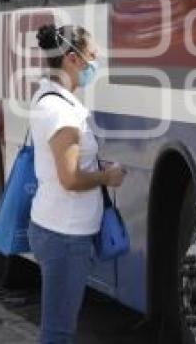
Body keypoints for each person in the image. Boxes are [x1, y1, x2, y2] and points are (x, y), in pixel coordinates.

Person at [28, 24, 126, 343]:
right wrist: (106, 177)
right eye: (93, 57)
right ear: (73, 58)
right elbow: (70, 178)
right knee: (58, 332)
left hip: (59, 228)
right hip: (65, 236)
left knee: (60, 327)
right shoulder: (61, 114)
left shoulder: (52, 98)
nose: (95, 64)